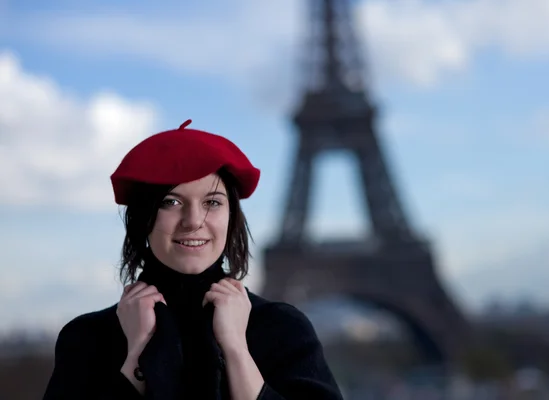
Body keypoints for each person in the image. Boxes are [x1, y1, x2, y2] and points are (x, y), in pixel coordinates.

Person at [42, 120, 344, 400]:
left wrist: (237, 349)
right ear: (142, 219)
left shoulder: (282, 329)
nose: (193, 221)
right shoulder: (87, 338)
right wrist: (135, 357)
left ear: (231, 217)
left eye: (212, 202)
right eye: (170, 202)